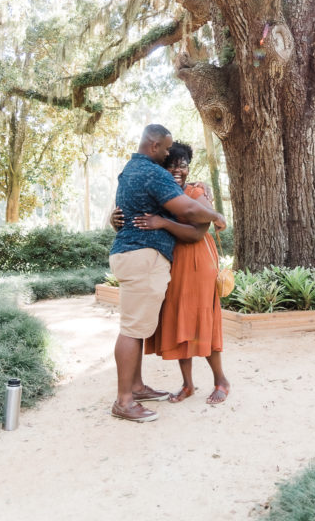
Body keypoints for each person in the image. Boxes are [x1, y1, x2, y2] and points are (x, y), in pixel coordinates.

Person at [108, 124, 226, 423]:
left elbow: (193, 224)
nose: (171, 164)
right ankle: (125, 401)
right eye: (167, 155)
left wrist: (199, 212)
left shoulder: (131, 171)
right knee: (134, 330)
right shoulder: (152, 173)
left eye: (180, 164)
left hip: (158, 259)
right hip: (143, 257)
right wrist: (216, 215)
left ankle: (137, 387)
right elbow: (187, 210)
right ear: (155, 146)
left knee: (143, 327)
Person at [132, 142, 231, 405]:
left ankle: (221, 380)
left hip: (197, 261)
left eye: (183, 165)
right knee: (181, 323)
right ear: (162, 166)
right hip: (172, 263)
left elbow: (201, 227)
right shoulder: (159, 192)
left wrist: (164, 221)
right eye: (172, 164)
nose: (178, 170)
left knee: (203, 321)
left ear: (189, 167)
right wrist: (115, 218)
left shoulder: (195, 191)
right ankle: (188, 385)